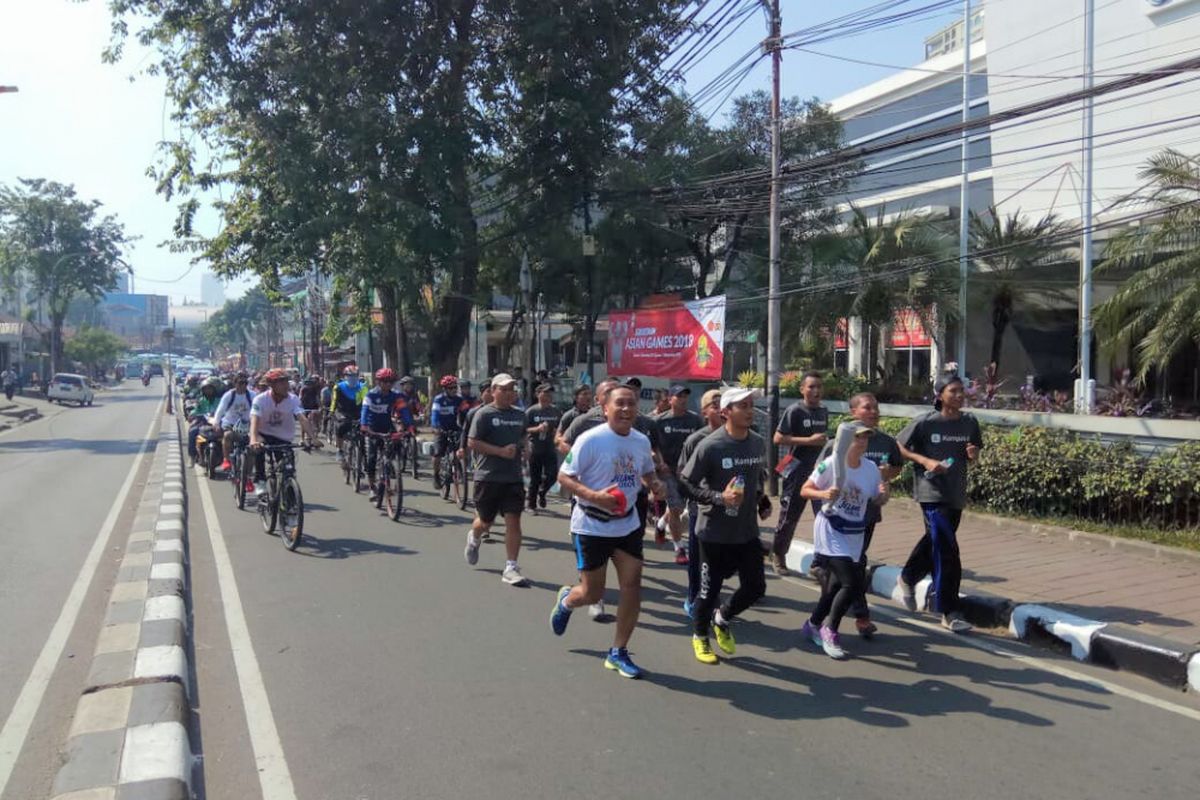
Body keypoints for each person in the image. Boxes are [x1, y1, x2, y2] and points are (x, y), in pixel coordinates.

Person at [550, 384, 666, 679]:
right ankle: (568, 600)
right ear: (605, 409)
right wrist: (593, 495)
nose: (627, 409)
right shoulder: (590, 440)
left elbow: (645, 469)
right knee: (592, 592)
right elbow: (563, 476)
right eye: (620, 404)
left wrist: (653, 483)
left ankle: (617, 651)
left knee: (632, 586)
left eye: (631, 404)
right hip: (591, 524)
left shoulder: (641, 441)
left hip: (627, 523)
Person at [679, 387, 771, 664]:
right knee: (708, 592)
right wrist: (720, 498)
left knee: (756, 587)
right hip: (713, 532)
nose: (749, 410)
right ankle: (700, 636)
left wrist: (761, 499)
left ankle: (722, 618)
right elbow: (685, 482)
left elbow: (755, 478)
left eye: (751, 405)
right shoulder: (710, 445)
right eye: (742, 405)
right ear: (726, 412)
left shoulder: (756, 442)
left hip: (746, 532)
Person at [896, 374, 984, 633]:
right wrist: (923, 461)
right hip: (931, 491)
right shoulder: (926, 422)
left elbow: (975, 451)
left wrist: (973, 454)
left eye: (961, 390)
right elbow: (898, 446)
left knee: (936, 541)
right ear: (939, 394)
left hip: (955, 492)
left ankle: (909, 576)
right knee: (948, 549)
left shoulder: (969, 422)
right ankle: (949, 610)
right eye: (953, 391)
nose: (959, 395)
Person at [813, 392, 902, 638]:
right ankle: (858, 617)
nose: (873, 411)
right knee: (853, 570)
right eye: (867, 408)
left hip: (866, 515)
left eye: (876, 407)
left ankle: (822, 614)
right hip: (836, 519)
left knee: (852, 568)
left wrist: (884, 478)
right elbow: (819, 482)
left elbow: (894, 468)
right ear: (853, 412)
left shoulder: (885, 441)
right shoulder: (838, 443)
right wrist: (826, 513)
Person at [800, 421, 888, 659]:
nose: (862, 442)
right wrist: (822, 494)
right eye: (858, 437)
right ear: (846, 441)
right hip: (831, 527)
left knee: (836, 586)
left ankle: (812, 624)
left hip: (854, 532)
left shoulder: (871, 468)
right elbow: (805, 490)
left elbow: (876, 500)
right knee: (852, 582)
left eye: (865, 438)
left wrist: (883, 494)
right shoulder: (830, 464)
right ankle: (830, 630)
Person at [464, 373, 530, 586]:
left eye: (512, 389)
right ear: (493, 391)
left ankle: (511, 566)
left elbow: (522, 436)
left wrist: (526, 447)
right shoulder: (483, 414)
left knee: (514, 520)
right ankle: (474, 538)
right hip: (488, 476)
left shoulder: (520, 415)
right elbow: (473, 442)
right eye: (504, 389)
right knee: (486, 521)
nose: (509, 392)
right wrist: (500, 452)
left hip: (513, 477)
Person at [771, 372, 829, 576]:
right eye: (811, 387)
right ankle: (778, 554)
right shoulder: (794, 410)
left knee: (823, 516)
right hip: (795, 469)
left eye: (819, 387)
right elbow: (778, 439)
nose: (816, 391)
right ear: (802, 389)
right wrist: (808, 441)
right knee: (789, 516)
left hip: (819, 472)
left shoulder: (823, 411)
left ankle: (819, 563)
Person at [676, 388, 724, 617]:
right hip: (701, 509)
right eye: (715, 405)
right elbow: (683, 477)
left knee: (722, 558)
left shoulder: (739, 436)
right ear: (705, 412)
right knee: (698, 558)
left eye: (723, 404)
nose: (721, 409)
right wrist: (704, 497)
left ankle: (712, 595)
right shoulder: (696, 440)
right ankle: (694, 594)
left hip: (730, 511)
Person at [249, 368, 322, 497]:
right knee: (258, 449)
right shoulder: (260, 399)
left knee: (289, 470)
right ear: (271, 385)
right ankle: (260, 481)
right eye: (281, 383)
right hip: (263, 434)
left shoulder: (293, 399)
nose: (285, 386)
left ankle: (289, 496)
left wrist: (313, 438)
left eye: (286, 382)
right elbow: (254, 420)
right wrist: (253, 439)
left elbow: (302, 418)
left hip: (283, 437)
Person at [654, 385, 702, 564]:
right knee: (675, 508)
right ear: (670, 399)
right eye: (679, 396)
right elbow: (653, 446)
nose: (683, 399)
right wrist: (660, 462)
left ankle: (660, 524)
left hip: (689, 472)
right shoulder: (659, 421)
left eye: (685, 396)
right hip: (668, 471)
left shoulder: (695, 421)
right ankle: (679, 548)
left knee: (680, 508)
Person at [361, 368, 403, 502]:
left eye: (390, 382)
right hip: (372, 428)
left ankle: (392, 467)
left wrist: (409, 425)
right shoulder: (370, 395)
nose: (388, 384)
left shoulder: (396, 395)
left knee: (398, 443)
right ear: (378, 382)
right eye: (385, 382)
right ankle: (372, 487)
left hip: (387, 426)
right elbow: (365, 411)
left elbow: (404, 411)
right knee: (371, 458)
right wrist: (364, 426)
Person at [524, 383, 561, 512]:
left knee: (553, 475)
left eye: (549, 394)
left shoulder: (555, 411)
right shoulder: (531, 411)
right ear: (537, 394)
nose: (547, 396)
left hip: (550, 447)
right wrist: (537, 429)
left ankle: (543, 491)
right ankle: (531, 505)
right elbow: (523, 429)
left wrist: (557, 433)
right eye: (544, 393)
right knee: (535, 477)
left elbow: (560, 428)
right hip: (535, 448)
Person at [430, 375, 470, 491]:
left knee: (461, 448)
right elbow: (435, 414)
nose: (453, 390)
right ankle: (436, 475)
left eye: (454, 387)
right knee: (437, 453)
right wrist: (435, 427)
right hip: (440, 428)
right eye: (450, 388)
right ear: (445, 389)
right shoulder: (438, 399)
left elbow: (466, 414)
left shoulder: (459, 399)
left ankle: (460, 468)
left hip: (454, 427)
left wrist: (467, 426)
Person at [215, 372, 255, 483]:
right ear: (235, 383)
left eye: (245, 383)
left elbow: (259, 410)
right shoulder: (229, 395)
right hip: (230, 424)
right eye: (240, 383)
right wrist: (216, 423)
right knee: (227, 435)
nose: (243, 385)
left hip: (246, 425)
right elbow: (220, 410)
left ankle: (248, 478)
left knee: (251, 449)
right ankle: (226, 459)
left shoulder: (252, 395)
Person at [330, 366, 367, 464]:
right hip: (343, 412)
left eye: (355, 376)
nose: (352, 378)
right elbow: (334, 401)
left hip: (358, 413)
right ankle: (340, 450)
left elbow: (366, 402)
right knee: (341, 427)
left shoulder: (362, 387)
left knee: (363, 433)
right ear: (345, 376)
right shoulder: (338, 387)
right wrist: (331, 412)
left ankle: (364, 458)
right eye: (350, 376)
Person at [186, 377, 223, 462]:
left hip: (217, 423)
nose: (208, 391)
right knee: (192, 431)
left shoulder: (220, 400)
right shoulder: (202, 400)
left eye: (209, 389)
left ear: (214, 389)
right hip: (203, 423)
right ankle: (192, 456)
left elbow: (225, 410)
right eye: (205, 389)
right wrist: (192, 414)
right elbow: (196, 410)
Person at [554, 385, 593, 455]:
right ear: (576, 397)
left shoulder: (594, 414)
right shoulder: (569, 415)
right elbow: (557, 438)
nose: (588, 397)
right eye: (584, 394)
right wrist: (566, 446)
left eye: (589, 394)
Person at [299, 376, 322, 446]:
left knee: (315, 422)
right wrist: (300, 408)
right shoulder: (303, 389)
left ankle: (315, 437)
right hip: (305, 408)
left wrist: (320, 407)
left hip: (313, 408)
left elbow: (317, 399)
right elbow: (300, 398)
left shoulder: (315, 390)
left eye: (311, 384)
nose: (309, 385)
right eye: (308, 384)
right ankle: (302, 439)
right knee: (304, 423)